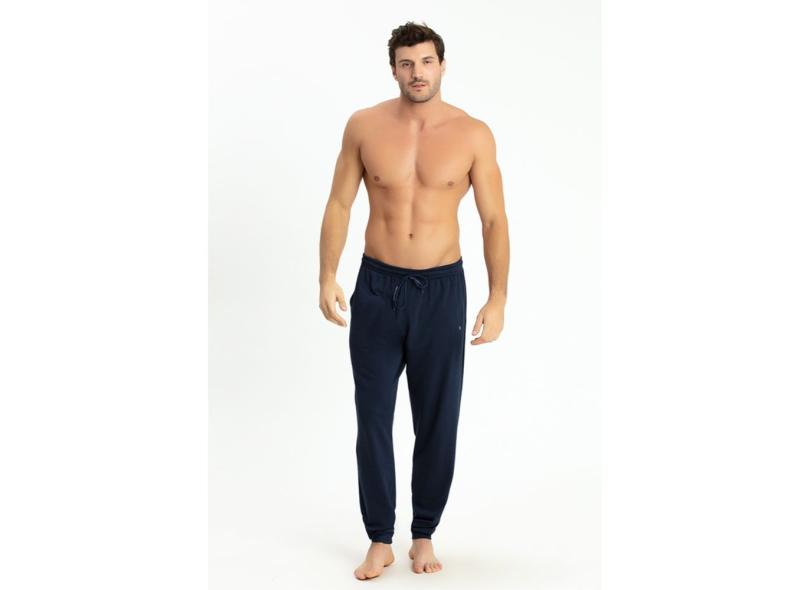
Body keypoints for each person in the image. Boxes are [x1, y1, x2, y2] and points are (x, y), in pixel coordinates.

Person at [318, 21, 510, 580]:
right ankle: (380, 538)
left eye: (426, 62)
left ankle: (423, 532)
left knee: (438, 420)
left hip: (441, 291)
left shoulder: (473, 134)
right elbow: (339, 203)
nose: (417, 73)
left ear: (442, 65)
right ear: (393, 69)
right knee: (373, 418)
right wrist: (327, 275)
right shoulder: (365, 125)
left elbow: (494, 220)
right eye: (406, 63)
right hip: (377, 288)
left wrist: (498, 297)